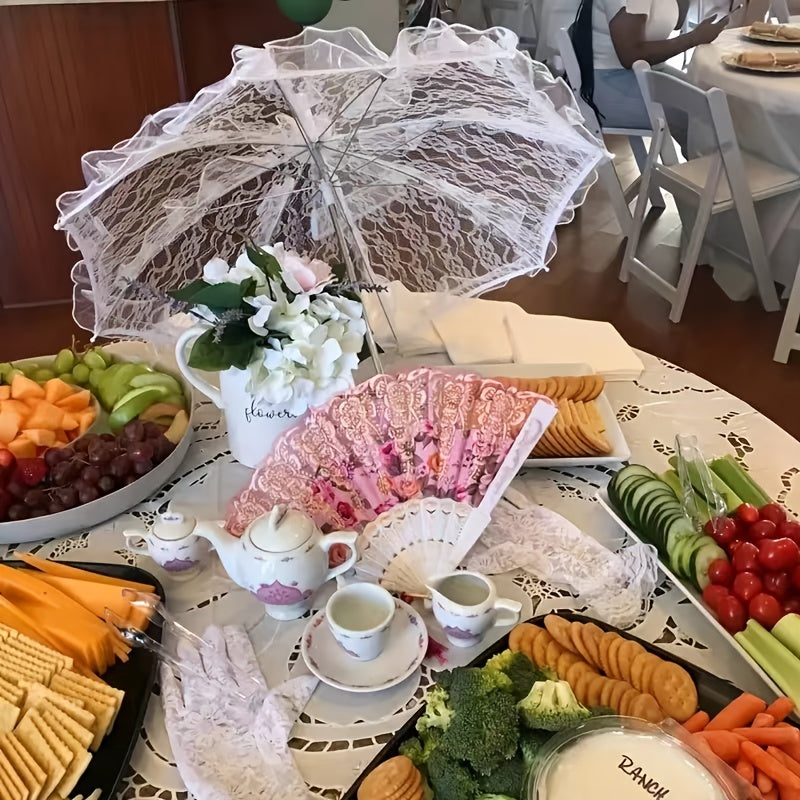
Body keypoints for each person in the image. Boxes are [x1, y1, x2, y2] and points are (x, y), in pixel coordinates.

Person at [570, 0, 729, 143]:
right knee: (704, 114)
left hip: (644, 71)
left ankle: (704, 170)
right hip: (605, 83)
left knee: (717, 103)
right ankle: (705, 172)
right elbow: (630, 56)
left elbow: (677, 22)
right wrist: (694, 38)